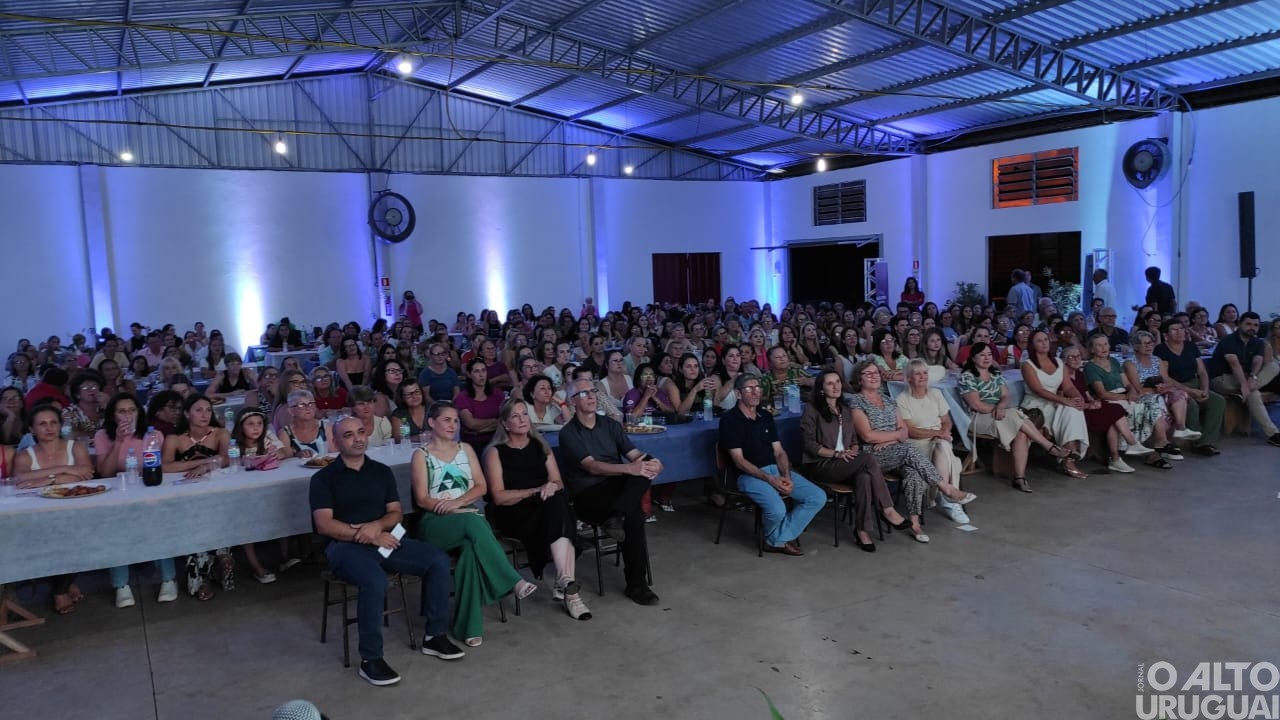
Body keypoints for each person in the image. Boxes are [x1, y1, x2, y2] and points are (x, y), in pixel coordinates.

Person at [311, 416, 463, 686]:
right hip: (344, 547)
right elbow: (324, 524)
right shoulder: (323, 478)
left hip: (385, 539)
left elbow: (395, 513)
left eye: (361, 432)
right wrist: (366, 536)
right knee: (374, 580)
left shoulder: (381, 471)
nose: (357, 438)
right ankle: (371, 659)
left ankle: (434, 636)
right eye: (348, 435)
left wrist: (377, 528)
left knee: (437, 560)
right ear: (335, 441)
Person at [411, 401, 538, 646]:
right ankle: (512, 580)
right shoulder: (421, 455)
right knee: (472, 521)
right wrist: (450, 508)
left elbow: (481, 486)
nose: (453, 425)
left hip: (466, 517)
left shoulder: (466, 449)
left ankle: (468, 627)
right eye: (446, 420)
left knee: (470, 552)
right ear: (432, 423)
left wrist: (458, 502)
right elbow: (422, 498)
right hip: (435, 522)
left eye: (456, 420)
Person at [483, 398, 591, 621]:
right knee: (560, 511)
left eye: (524, 414)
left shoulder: (540, 445)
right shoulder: (495, 452)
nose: (522, 420)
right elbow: (499, 497)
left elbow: (558, 482)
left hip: (545, 505)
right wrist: (536, 490)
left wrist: (551, 486)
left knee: (557, 502)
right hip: (513, 511)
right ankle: (569, 591)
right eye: (515, 416)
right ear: (505, 423)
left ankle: (566, 583)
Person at [557, 376, 660, 605]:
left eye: (593, 391)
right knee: (634, 513)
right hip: (588, 494)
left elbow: (634, 455)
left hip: (617, 491)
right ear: (572, 402)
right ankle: (637, 585)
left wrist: (652, 463)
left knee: (646, 465)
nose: (591, 396)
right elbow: (592, 466)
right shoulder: (569, 433)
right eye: (583, 393)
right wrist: (631, 468)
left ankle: (618, 516)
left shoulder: (611, 425)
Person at [801, 371, 911, 551]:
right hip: (819, 464)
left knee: (864, 478)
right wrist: (837, 454)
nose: (836, 386)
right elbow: (809, 445)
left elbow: (853, 441)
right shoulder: (811, 409)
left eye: (837, 382)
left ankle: (862, 531)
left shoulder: (845, 409)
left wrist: (851, 451)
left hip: (845, 462)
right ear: (821, 388)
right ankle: (887, 508)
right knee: (868, 459)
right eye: (829, 383)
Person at [719, 374, 824, 556]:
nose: (755, 392)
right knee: (777, 509)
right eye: (749, 389)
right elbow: (739, 461)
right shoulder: (730, 420)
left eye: (758, 388)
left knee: (817, 497)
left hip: (775, 470)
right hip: (749, 475)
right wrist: (769, 479)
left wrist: (786, 476)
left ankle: (776, 539)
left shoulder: (765, 416)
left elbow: (779, 451)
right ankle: (779, 539)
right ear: (738, 394)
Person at [847, 361, 951, 543]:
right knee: (909, 449)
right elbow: (868, 436)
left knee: (914, 472)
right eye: (868, 373)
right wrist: (895, 437)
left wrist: (890, 440)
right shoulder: (856, 402)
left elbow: (904, 432)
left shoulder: (888, 399)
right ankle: (944, 486)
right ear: (859, 379)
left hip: (893, 450)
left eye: (876, 373)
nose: (874, 376)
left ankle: (914, 522)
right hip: (871, 456)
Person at [12, 403, 96, 614]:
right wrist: (65, 471)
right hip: (37, 514)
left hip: (75, 509)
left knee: (76, 535)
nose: (49, 428)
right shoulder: (25, 454)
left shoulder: (75, 447)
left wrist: (44, 479)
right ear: (32, 429)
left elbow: (86, 472)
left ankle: (60, 590)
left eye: (53, 422)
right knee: (47, 538)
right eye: (42, 424)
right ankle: (65, 585)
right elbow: (20, 479)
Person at [957, 343, 1072, 493]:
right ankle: (1049, 446)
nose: (987, 358)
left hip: (1001, 414)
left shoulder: (996, 374)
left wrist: (1001, 407)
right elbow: (976, 405)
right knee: (1015, 414)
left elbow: (1006, 396)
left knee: (1021, 432)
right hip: (978, 418)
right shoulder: (967, 377)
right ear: (973, 358)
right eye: (982, 355)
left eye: (989, 354)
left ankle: (1020, 478)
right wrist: (998, 408)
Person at [163, 394, 234, 598]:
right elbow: (166, 467)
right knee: (194, 527)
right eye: (198, 410)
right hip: (184, 493)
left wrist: (207, 466)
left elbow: (228, 458)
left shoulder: (220, 433)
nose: (205, 414)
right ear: (187, 413)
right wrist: (200, 464)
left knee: (217, 518)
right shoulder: (174, 438)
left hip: (215, 492)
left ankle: (221, 560)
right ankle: (202, 576)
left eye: (208, 410)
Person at [894, 361, 977, 523]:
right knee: (945, 448)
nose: (922, 377)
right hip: (916, 445)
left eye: (925, 373)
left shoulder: (936, 394)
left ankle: (945, 496)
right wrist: (938, 433)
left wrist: (943, 432)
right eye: (917, 374)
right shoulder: (902, 399)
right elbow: (910, 430)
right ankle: (949, 499)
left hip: (939, 440)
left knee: (942, 445)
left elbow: (946, 420)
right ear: (909, 378)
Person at [1083, 335, 1177, 468]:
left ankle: (1160, 442)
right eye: (1099, 345)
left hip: (1124, 395)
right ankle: (1124, 452)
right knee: (1119, 414)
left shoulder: (1114, 361)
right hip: (1110, 398)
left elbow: (1127, 383)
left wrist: (1131, 391)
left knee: (1153, 400)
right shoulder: (1090, 367)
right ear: (1092, 349)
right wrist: (1125, 397)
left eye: (1106, 344)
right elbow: (1102, 393)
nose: (1104, 348)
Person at [1019, 330, 1090, 478]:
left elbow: (1068, 387)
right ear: (1032, 345)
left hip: (1055, 403)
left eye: (1046, 339)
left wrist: (1078, 399)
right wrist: (1065, 400)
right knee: (1068, 408)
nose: (1044, 343)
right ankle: (1068, 457)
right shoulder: (1027, 365)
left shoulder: (1058, 362)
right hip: (1036, 406)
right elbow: (1039, 390)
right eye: (1039, 341)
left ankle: (1068, 460)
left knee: (1074, 410)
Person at [1207, 311, 1280, 447]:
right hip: (1223, 379)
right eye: (1248, 324)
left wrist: (1252, 378)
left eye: (1255, 325)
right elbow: (1234, 365)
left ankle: (1273, 434)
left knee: (1273, 367)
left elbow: (1257, 362)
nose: (1252, 327)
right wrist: (1244, 385)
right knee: (1253, 392)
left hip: (1246, 378)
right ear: (1240, 324)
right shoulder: (1229, 340)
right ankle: (1273, 434)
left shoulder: (1257, 342)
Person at [1155, 319, 1225, 456]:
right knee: (1191, 404)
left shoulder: (1191, 346)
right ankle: (1197, 442)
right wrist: (1191, 391)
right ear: (1166, 335)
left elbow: (1202, 372)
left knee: (1218, 401)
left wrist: (1204, 389)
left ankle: (1207, 442)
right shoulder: (1161, 349)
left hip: (1195, 383)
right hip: (1174, 387)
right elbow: (1166, 377)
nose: (1179, 332)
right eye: (1174, 330)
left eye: (1181, 329)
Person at [455, 357, 502, 453]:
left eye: (483, 370)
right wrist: (494, 421)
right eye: (476, 371)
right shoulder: (462, 397)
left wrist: (480, 430)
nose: (481, 375)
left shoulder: (497, 394)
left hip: (498, 440)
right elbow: (471, 424)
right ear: (469, 374)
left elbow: (504, 420)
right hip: (473, 444)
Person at [278, 390, 329, 458]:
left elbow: (335, 455)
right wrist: (297, 455)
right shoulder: (285, 433)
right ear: (291, 411)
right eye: (301, 405)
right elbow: (286, 460)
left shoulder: (326, 427)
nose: (308, 408)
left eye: (311, 403)